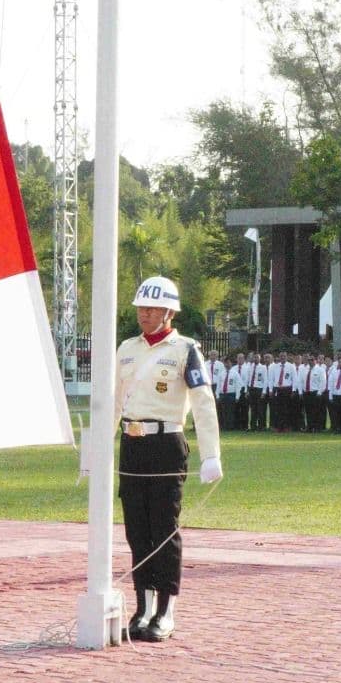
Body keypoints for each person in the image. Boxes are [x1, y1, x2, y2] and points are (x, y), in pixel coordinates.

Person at [115, 275, 222, 643]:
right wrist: (97, 449)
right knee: (137, 530)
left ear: (169, 313)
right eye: (141, 308)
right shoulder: (127, 348)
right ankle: (142, 607)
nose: (144, 314)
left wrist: (211, 454)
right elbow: (114, 401)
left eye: (152, 309)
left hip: (166, 443)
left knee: (163, 529)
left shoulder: (185, 350)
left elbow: (204, 402)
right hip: (132, 444)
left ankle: (165, 610)